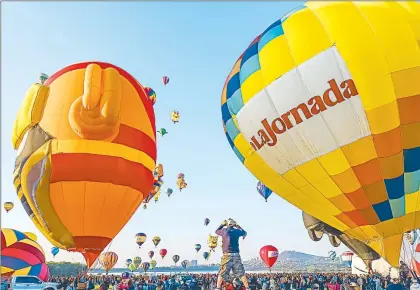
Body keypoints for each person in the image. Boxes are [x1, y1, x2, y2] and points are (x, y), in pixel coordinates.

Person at [215, 218, 248, 290]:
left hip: (227, 255)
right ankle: (247, 287)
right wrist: (238, 226)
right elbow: (244, 232)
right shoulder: (237, 231)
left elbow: (216, 231)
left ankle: (217, 288)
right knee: (241, 273)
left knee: (221, 273)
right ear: (233, 224)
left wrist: (222, 225)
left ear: (227, 224)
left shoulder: (224, 231)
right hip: (236, 254)